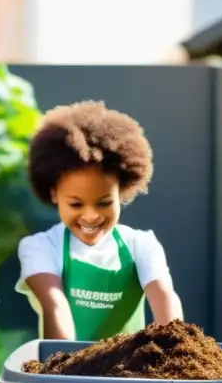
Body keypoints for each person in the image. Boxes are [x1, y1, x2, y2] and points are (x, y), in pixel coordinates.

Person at [16, 100, 183, 340]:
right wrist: (65, 371)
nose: (91, 215)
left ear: (121, 190)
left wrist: (174, 351)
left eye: (104, 202)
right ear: (54, 193)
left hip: (130, 374)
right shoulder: (40, 247)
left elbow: (164, 296)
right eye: (76, 204)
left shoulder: (141, 245)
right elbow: (55, 304)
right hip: (65, 370)